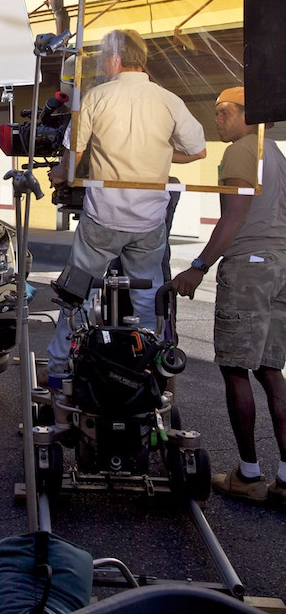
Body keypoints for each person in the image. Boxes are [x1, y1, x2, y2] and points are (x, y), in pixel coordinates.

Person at [45, 29, 206, 380]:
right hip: (149, 220)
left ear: (116, 58)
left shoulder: (96, 97)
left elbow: (74, 159)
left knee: (78, 294)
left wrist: (59, 173)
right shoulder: (168, 100)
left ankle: (58, 371)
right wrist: (160, 157)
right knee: (147, 301)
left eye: (104, 56)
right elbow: (198, 150)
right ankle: (150, 371)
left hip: (104, 216)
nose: (102, 63)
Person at [173, 87, 286, 507]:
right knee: (271, 371)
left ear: (248, 116)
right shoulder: (275, 154)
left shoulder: (241, 150)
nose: (217, 120)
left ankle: (249, 475)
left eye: (224, 112)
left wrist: (197, 267)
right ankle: (285, 480)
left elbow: (233, 217)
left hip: (250, 269)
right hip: (279, 267)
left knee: (236, 370)